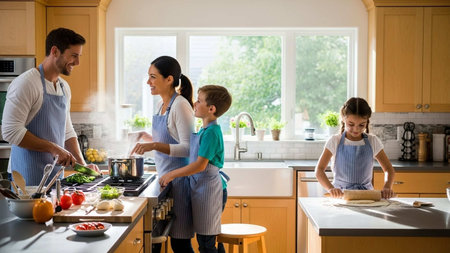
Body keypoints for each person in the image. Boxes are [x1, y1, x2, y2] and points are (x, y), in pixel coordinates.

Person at [1, 27, 98, 186]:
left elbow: (67, 131)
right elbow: (10, 131)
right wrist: (54, 148)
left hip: (54, 178)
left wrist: (83, 166)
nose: (78, 62)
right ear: (55, 51)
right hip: (26, 179)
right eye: (74, 56)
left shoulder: (63, 87)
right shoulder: (27, 83)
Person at [130, 56, 195, 252]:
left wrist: (155, 145)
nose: (148, 82)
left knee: (180, 244)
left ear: (169, 79)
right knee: (166, 240)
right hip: (166, 183)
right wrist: (146, 136)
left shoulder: (180, 105)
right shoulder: (161, 104)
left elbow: (188, 148)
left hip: (180, 183)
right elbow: (170, 137)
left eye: (153, 77)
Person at [160, 85, 232, 253]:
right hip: (201, 188)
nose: (194, 103)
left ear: (211, 109)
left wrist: (171, 174)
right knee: (205, 239)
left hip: (210, 190)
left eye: (199, 101)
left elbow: (200, 165)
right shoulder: (204, 129)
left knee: (206, 243)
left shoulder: (212, 132)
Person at [315, 97, 395, 199]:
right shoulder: (335, 141)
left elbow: (389, 169)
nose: (356, 129)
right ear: (343, 119)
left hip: (366, 196)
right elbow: (319, 170)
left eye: (361, 125)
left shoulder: (373, 141)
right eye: (351, 124)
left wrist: (387, 186)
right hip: (341, 196)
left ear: (367, 121)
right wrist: (331, 189)